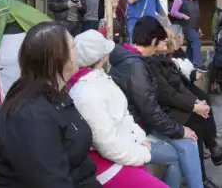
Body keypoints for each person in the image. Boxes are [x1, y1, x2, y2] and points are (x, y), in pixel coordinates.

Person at [0, 22, 100, 187]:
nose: (78, 50)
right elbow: (51, 182)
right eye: (73, 46)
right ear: (58, 57)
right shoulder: (29, 116)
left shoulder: (57, 91)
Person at [108, 16, 204, 188]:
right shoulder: (135, 66)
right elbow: (150, 110)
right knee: (183, 147)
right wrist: (179, 130)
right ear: (153, 40)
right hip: (135, 130)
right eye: (161, 41)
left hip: (140, 124)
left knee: (187, 144)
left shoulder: (131, 59)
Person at [67, 31, 170, 187]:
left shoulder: (98, 78)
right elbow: (107, 143)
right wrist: (141, 153)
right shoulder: (86, 92)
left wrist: (140, 138)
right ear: (101, 58)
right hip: (107, 165)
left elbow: (124, 115)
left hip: (124, 150)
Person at [149, 28, 222, 187]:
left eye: (173, 37)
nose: (172, 40)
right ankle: (205, 172)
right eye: (166, 38)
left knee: (201, 105)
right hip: (161, 111)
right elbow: (167, 93)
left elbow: (179, 86)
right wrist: (193, 106)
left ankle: (213, 154)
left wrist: (196, 103)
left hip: (170, 104)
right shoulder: (154, 62)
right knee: (194, 122)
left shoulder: (165, 58)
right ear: (153, 41)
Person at [170, 0, 202, 67]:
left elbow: (197, 14)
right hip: (186, 25)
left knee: (191, 46)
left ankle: (188, 63)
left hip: (195, 25)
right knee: (196, 43)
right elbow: (173, 12)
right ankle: (198, 64)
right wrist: (183, 16)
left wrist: (198, 27)